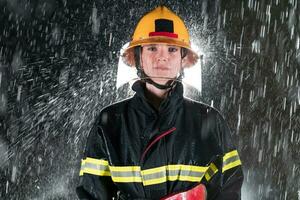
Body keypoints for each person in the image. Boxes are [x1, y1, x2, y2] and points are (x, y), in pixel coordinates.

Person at [76, 6, 244, 200]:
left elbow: (229, 188)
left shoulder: (210, 121)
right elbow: (91, 194)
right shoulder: (111, 122)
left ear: (183, 59)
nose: (162, 57)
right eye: (152, 48)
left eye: (172, 49)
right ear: (139, 57)